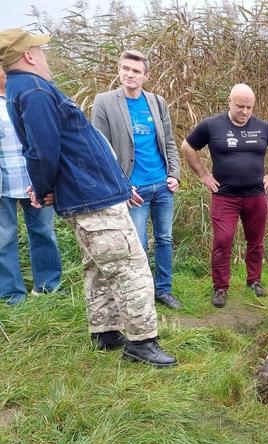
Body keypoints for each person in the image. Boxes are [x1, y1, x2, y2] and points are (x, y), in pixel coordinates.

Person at [0, 28, 176, 367]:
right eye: (41, 49)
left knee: (98, 268)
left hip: (90, 193)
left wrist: (46, 185)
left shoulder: (28, 89)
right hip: (92, 196)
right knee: (131, 268)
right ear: (28, 56)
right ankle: (142, 342)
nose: (45, 54)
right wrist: (43, 186)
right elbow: (42, 151)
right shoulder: (34, 90)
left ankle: (105, 332)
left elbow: (45, 149)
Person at [182, 83, 268, 308]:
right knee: (223, 240)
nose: (245, 112)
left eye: (249, 107)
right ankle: (220, 287)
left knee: (255, 241)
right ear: (229, 102)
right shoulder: (212, 126)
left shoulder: (263, 128)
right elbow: (188, 147)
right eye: (240, 106)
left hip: (256, 196)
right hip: (224, 196)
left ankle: (254, 281)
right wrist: (203, 175)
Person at [92, 50, 182, 310]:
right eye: (125, 68)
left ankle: (164, 290)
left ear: (146, 76)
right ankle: (141, 292)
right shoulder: (105, 102)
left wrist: (174, 174)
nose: (129, 74)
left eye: (136, 71)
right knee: (138, 244)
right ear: (119, 70)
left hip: (162, 185)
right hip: (134, 189)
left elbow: (168, 141)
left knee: (165, 239)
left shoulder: (156, 101)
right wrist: (122, 186)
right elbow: (101, 149)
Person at [0, 67, 61, 304]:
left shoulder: (26, 93)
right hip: (4, 182)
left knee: (43, 232)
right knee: (4, 238)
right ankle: (11, 294)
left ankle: (48, 287)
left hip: (35, 180)